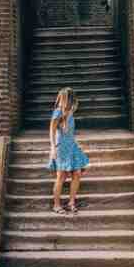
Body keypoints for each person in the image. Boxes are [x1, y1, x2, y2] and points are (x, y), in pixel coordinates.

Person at [48, 87, 89, 215]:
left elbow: (70, 131)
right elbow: (52, 131)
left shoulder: (71, 111)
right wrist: (53, 148)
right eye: (72, 98)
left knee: (77, 173)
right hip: (62, 147)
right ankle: (56, 205)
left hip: (71, 145)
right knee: (61, 176)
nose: (74, 100)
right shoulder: (57, 112)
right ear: (67, 98)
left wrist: (76, 144)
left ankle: (71, 202)